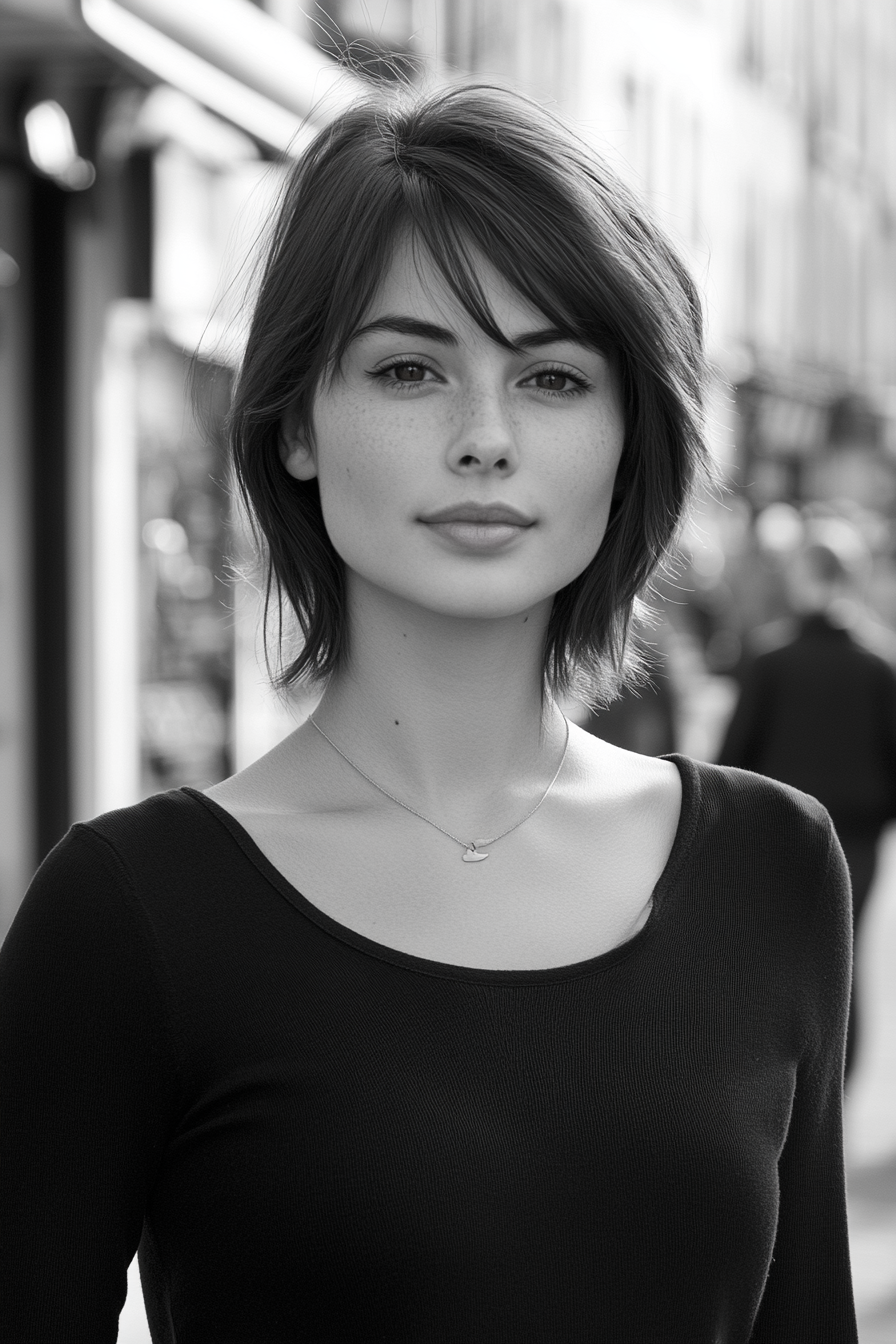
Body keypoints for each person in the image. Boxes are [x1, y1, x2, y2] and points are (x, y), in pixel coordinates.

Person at [0, 84, 857, 1342]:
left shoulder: (773, 869)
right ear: (295, 419)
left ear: (631, 437)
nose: (485, 438)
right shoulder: (133, 913)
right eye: (409, 368)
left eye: (554, 377)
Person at [719, 519, 896, 1079]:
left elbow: (733, 758)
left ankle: (779, 1091)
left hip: (778, 830)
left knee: (777, 958)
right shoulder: (879, 663)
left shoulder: (771, 659)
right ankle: (833, 1104)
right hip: (858, 837)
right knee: (840, 962)